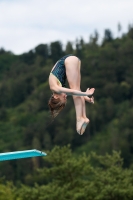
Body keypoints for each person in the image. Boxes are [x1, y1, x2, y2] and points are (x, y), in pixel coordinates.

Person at [48, 55, 95, 135]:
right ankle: (84, 117)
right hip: (74, 60)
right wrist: (87, 98)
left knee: (75, 89)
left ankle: (79, 118)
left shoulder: (54, 87)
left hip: (68, 61)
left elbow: (73, 92)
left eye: (64, 98)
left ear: (55, 97)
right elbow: (77, 92)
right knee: (77, 89)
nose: (65, 96)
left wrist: (86, 93)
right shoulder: (59, 90)